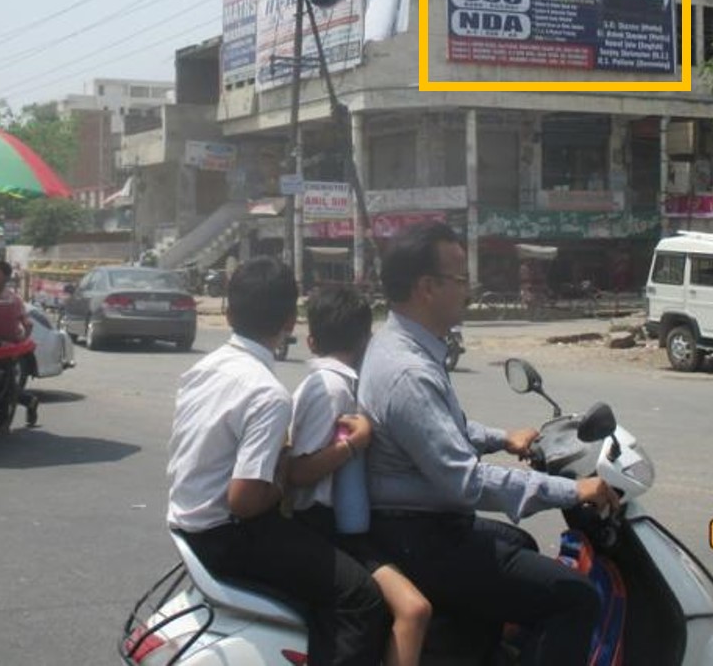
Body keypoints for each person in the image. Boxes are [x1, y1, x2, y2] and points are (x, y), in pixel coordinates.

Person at [357, 221, 619, 666]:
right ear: (427, 287)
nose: (469, 289)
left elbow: (443, 427)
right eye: (460, 279)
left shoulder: (406, 345)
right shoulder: (408, 371)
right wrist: (573, 490)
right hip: (420, 537)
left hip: (418, 526)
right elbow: (466, 482)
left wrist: (502, 438)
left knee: (520, 545)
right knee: (575, 598)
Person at [167, 257, 388, 666]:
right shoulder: (267, 393)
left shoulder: (203, 369)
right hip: (230, 535)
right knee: (361, 598)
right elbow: (245, 500)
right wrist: (292, 470)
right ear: (291, 321)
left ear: (228, 312)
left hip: (189, 522)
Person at [288, 284, 431, 666]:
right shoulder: (331, 388)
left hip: (342, 525)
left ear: (311, 340)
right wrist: (355, 444)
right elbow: (298, 471)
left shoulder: (346, 383)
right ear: (367, 337)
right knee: (413, 610)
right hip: (322, 527)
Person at [0, 259, 39, 428]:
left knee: (1, 379)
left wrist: (20, 343)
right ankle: (29, 400)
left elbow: (28, 324)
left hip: (7, 347)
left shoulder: (14, 300)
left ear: (6, 277)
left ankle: (2, 420)